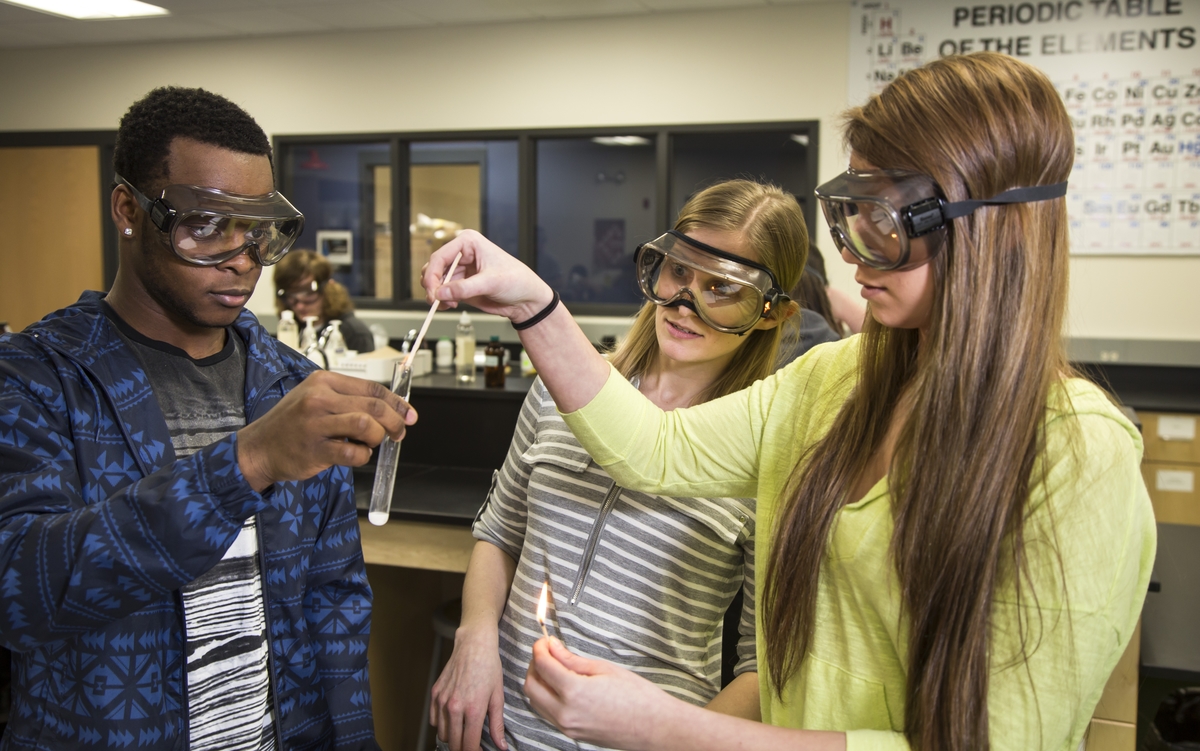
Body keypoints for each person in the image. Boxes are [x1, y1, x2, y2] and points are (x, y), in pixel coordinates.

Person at [418, 52, 1156, 751]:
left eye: (888, 221)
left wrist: (666, 728)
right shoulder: (836, 379)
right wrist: (532, 301)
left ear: (987, 226)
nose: (855, 252)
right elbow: (653, 448)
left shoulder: (1078, 454)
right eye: (853, 213)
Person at [0, 86, 414, 750]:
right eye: (206, 225)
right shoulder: (36, 379)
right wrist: (246, 462)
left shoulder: (291, 382)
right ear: (129, 209)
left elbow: (334, 602)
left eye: (255, 230)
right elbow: (19, 592)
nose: (241, 257)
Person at [430, 179, 808, 751]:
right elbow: (499, 532)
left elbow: (763, 668)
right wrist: (474, 636)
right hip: (499, 727)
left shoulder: (766, 451)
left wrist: (664, 736)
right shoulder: (560, 387)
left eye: (722, 288)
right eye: (679, 271)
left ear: (768, 315)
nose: (686, 303)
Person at [274, 249, 376, 353]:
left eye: (308, 294)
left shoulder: (355, 333)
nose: (300, 306)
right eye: (292, 297)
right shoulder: (294, 329)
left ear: (328, 289)